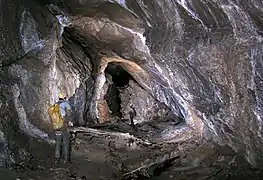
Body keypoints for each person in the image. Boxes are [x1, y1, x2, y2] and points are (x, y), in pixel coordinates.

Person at [54, 93, 73, 164]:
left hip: (56, 126)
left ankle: (56, 159)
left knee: (58, 143)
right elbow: (69, 115)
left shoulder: (55, 105)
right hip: (64, 127)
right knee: (65, 143)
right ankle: (65, 159)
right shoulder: (66, 104)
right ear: (64, 98)